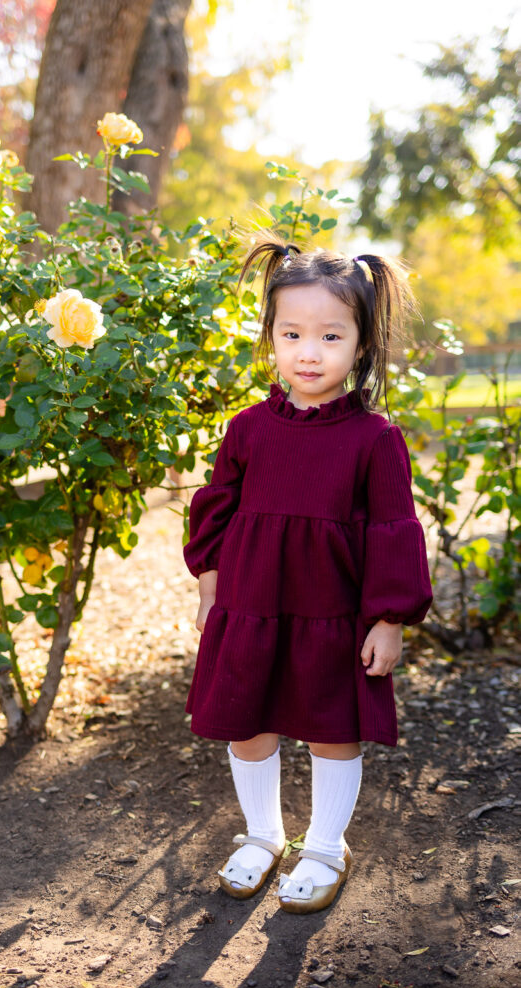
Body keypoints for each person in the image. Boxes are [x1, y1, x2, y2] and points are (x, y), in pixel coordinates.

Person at [182, 237, 432, 914]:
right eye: (291, 333)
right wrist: (209, 584)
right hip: (251, 602)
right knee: (248, 723)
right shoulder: (247, 429)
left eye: (329, 335)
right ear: (270, 337)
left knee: (331, 727)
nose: (308, 352)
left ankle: (324, 846)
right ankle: (262, 836)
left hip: (331, 613)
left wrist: (388, 618)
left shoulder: (373, 440)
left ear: (360, 343)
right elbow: (216, 511)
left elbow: (392, 529)